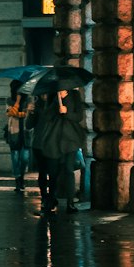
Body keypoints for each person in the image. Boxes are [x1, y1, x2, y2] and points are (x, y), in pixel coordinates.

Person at [29, 86, 85, 214]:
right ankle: (49, 202)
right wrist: (55, 105)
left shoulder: (75, 96)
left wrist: (67, 111)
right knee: (53, 172)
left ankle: (70, 203)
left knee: (68, 170)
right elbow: (47, 116)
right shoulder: (53, 96)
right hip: (54, 140)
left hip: (70, 140)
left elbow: (78, 116)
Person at [4, 80, 30, 193]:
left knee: (24, 158)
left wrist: (20, 113)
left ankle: (22, 176)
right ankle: (18, 180)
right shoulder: (9, 100)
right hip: (14, 132)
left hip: (25, 133)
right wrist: (18, 102)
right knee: (15, 159)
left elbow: (27, 114)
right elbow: (11, 112)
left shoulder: (29, 99)